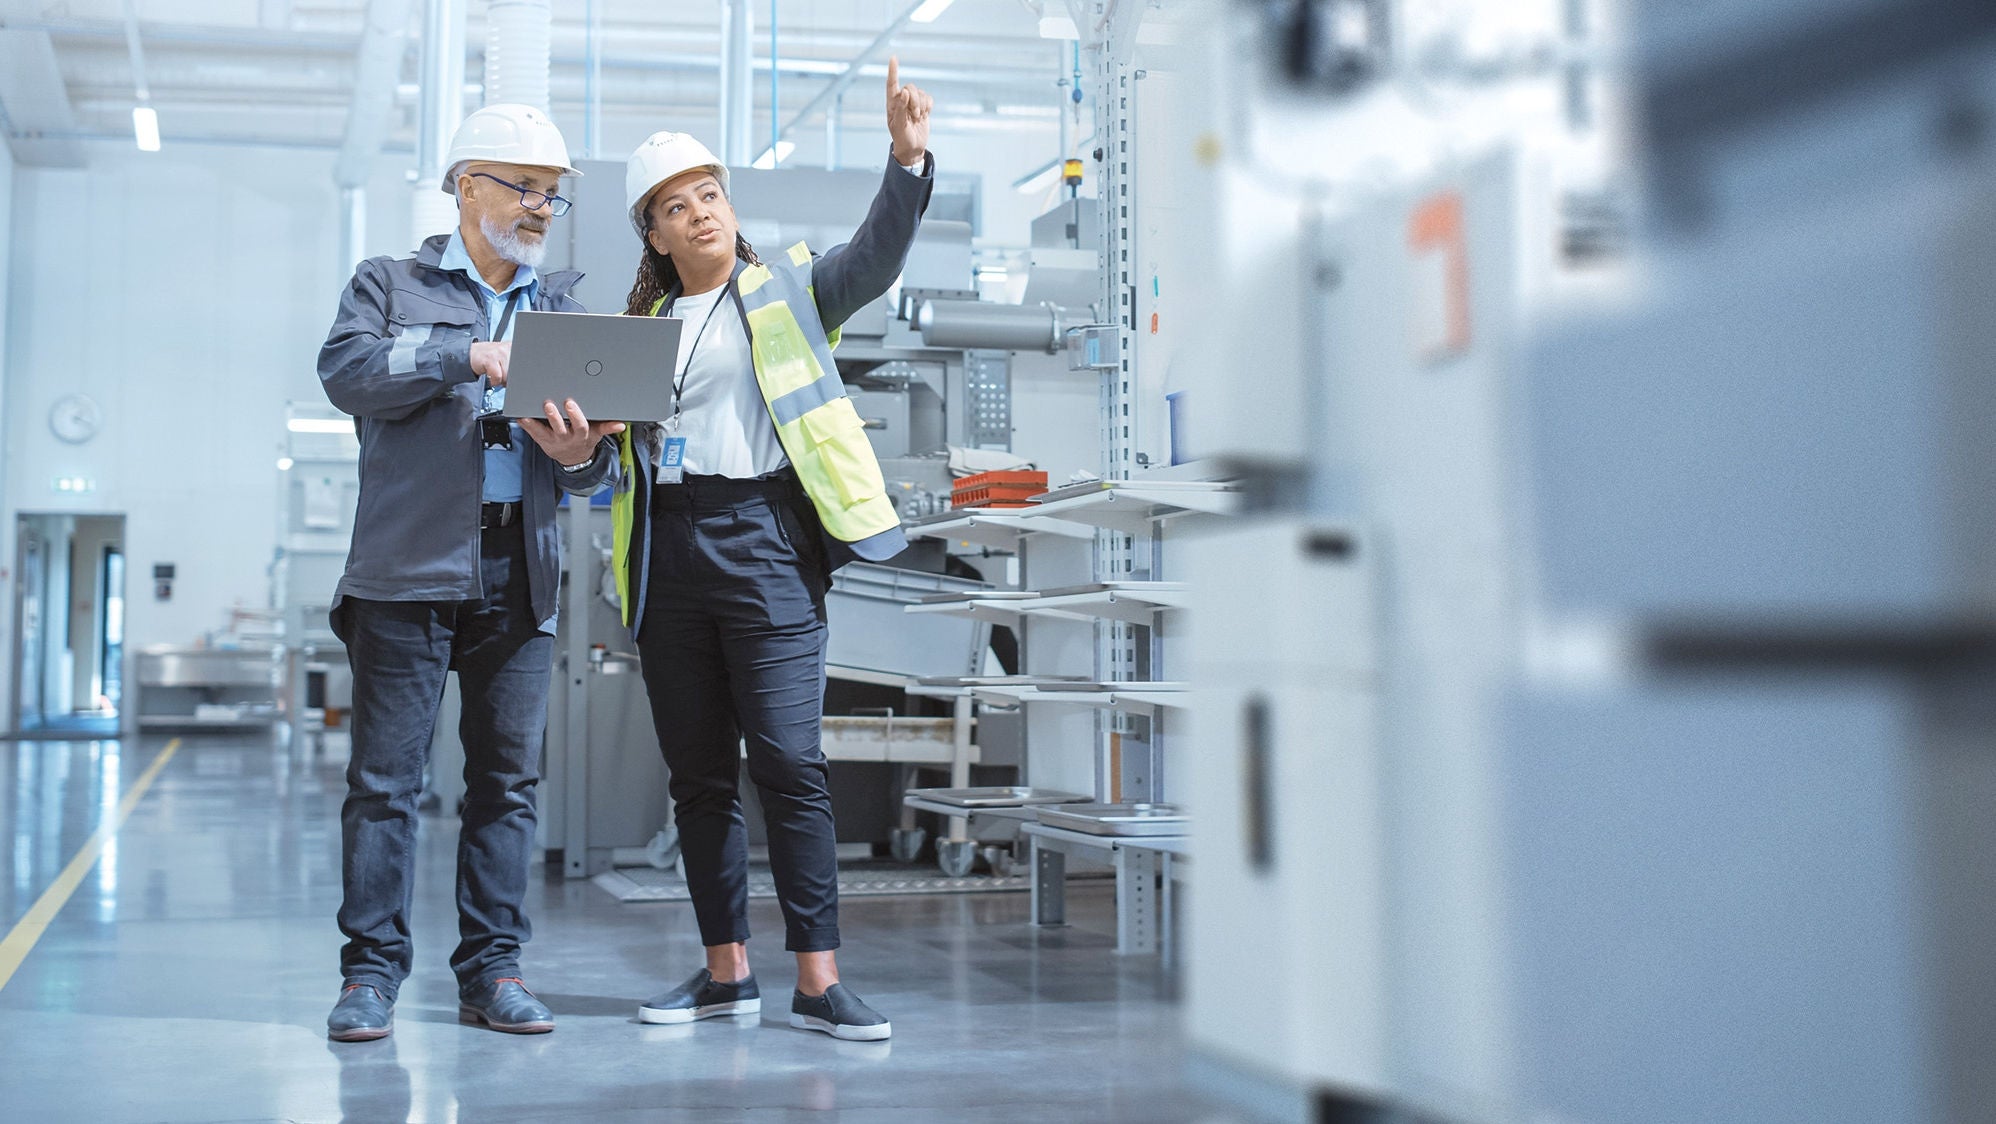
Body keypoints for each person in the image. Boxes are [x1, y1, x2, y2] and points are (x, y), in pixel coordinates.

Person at [606, 58, 935, 1042]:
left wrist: (906, 162)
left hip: (764, 540)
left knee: (791, 760)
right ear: (655, 234)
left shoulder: (788, 288)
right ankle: (725, 972)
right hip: (667, 554)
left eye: (709, 193)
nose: (699, 211)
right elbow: (601, 466)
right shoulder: (638, 328)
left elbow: (873, 261)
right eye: (675, 205)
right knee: (699, 775)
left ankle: (818, 979)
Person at [316, 103, 624, 1042]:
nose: (539, 207)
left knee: (507, 785)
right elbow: (347, 372)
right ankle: (370, 977)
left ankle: (492, 970)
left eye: (552, 195)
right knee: (385, 784)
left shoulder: (565, 312)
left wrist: (575, 450)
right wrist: (466, 354)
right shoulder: (389, 283)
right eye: (523, 187)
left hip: (518, 570)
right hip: (405, 569)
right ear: (464, 185)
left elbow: (598, 474)